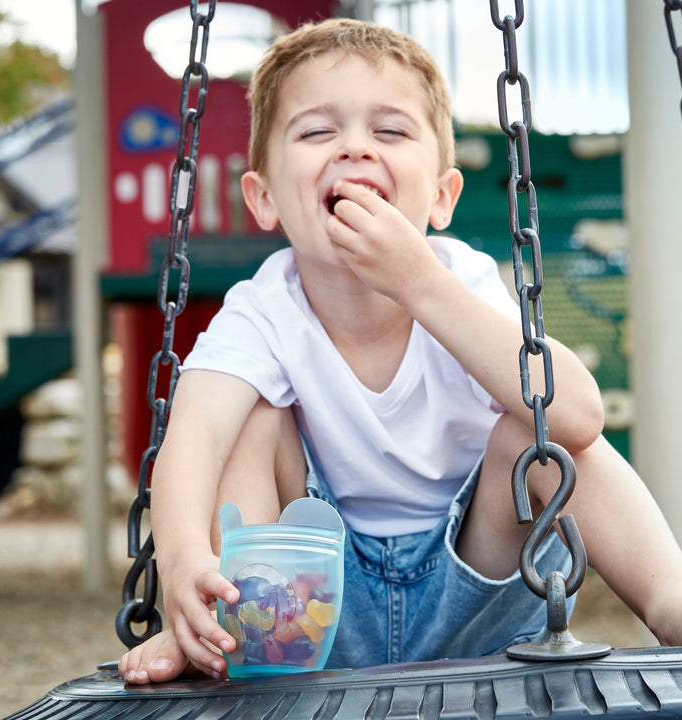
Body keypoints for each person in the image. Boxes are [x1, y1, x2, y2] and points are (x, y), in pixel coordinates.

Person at [119, 18, 682, 684]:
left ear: (442, 198)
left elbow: (579, 414)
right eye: (317, 131)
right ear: (265, 198)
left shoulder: (459, 282)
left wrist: (419, 284)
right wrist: (184, 562)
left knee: (536, 435)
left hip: (478, 588)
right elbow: (194, 434)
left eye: (389, 131)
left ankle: (671, 602)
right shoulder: (264, 306)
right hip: (308, 603)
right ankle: (220, 626)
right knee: (250, 418)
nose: (355, 148)